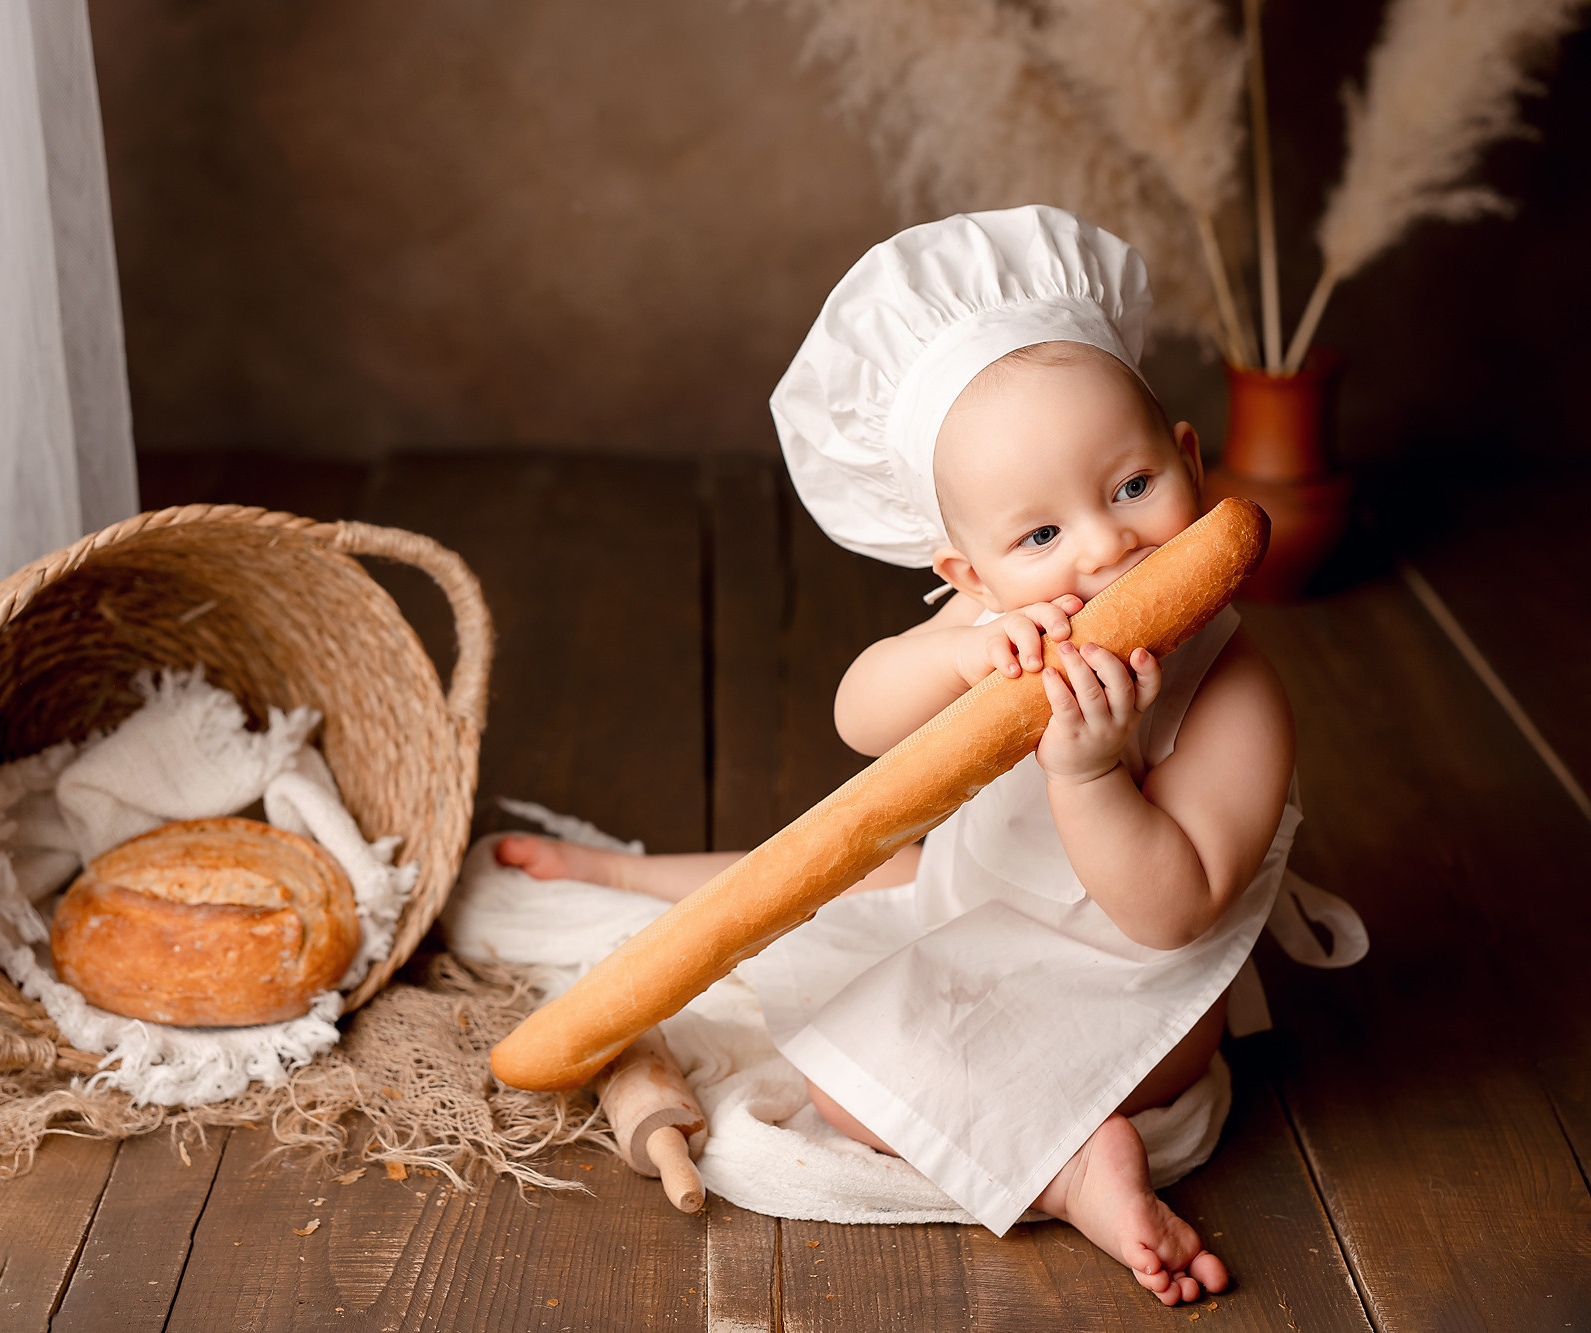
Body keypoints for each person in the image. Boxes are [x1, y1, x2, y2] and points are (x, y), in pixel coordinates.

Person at [496, 206, 1302, 1306]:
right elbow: (858, 716)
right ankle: (627, 875)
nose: (1105, 548)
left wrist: (1089, 769)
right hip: (972, 897)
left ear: (1188, 459)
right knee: (850, 884)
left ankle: (1072, 1165)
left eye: (1129, 489)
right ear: (964, 572)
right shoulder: (988, 626)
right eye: (1037, 537)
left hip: (1128, 997)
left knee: (849, 1088)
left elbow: (1173, 913)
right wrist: (959, 660)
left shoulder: (1233, 690)